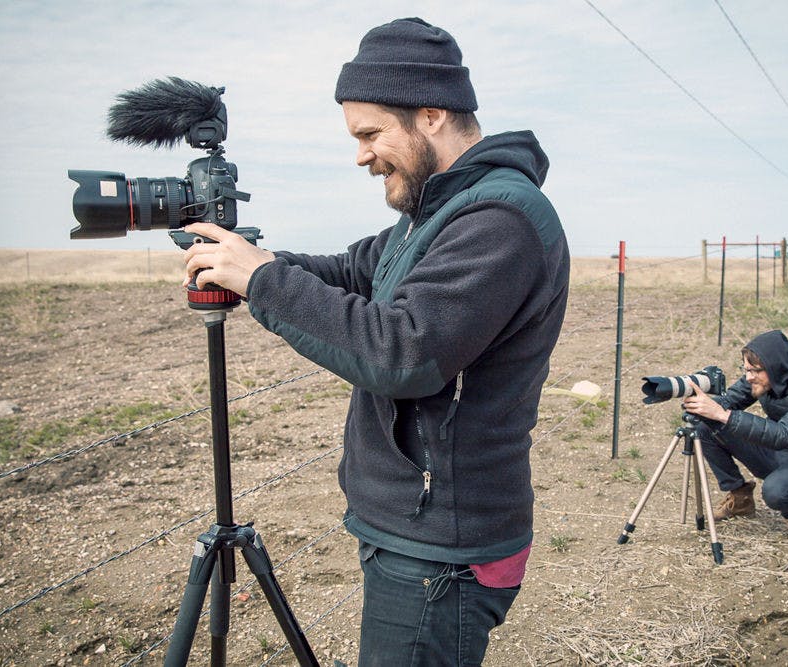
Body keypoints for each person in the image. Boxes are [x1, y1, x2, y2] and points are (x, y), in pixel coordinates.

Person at [181, 17, 570, 666]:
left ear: (431, 114)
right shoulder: (435, 213)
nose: (360, 156)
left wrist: (264, 282)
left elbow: (405, 351)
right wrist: (242, 261)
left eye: (369, 134)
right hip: (416, 530)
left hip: (443, 547)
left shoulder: (499, 218)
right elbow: (349, 271)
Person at [681, 330, 788, 539]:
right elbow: (730, 400)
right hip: (778, 448)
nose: (749, 377)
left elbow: (785, 434)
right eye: (746, 370)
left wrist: (723, 414)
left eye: (754, 371)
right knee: (705, 427)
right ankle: (740, 499)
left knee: (776, 491)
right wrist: (702, 406)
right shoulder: (764, 374)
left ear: (775, 367)